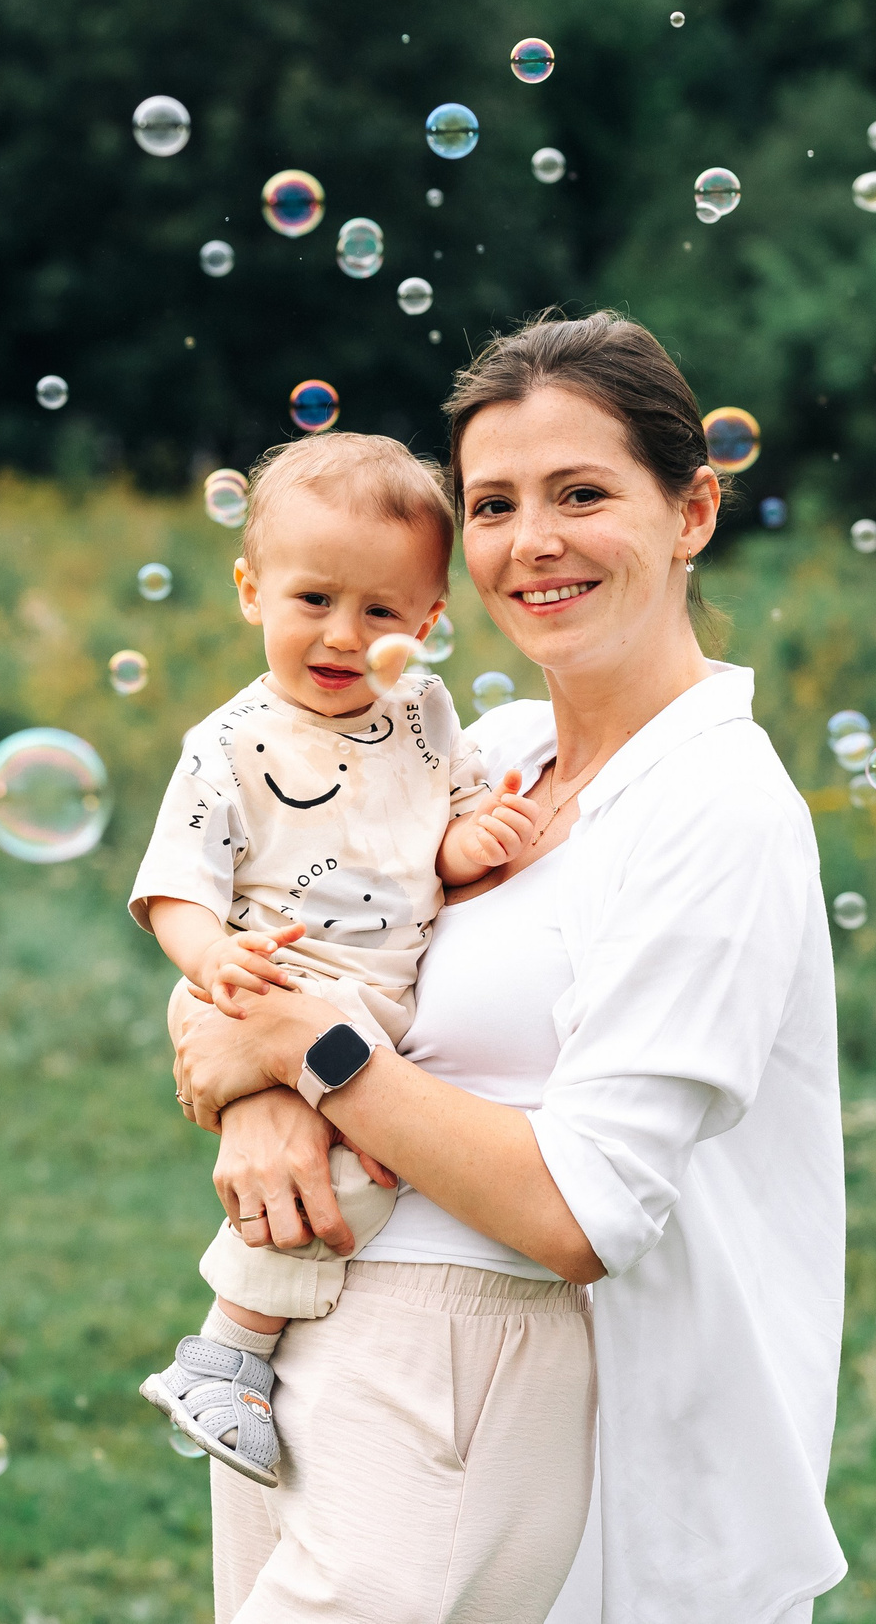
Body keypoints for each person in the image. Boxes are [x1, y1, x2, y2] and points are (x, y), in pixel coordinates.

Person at [173, 310, 848, 1623]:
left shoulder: (716, 807)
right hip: (321, 1351)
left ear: (692, 510)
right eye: (492, 504)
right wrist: (258, 1091)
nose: (531, 541)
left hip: (571, 1445)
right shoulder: (485, 752)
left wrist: (310, 1054)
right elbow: (254, 964)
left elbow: (577, 1215)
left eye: (582, 493)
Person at [128, 432, 559, 1486]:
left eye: (379, 611)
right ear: (250, 590)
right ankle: (224, 1350)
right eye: (311, 599)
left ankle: (251, 1351)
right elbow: (174, 886)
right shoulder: (228, 742)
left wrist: (471, 845)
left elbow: (438, 827)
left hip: (378, 1003)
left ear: (428, 622)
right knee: (350, 1187)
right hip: (280, 980)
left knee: (363, 1155)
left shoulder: (423, 716)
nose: (341, 635)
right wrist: (214, 961)